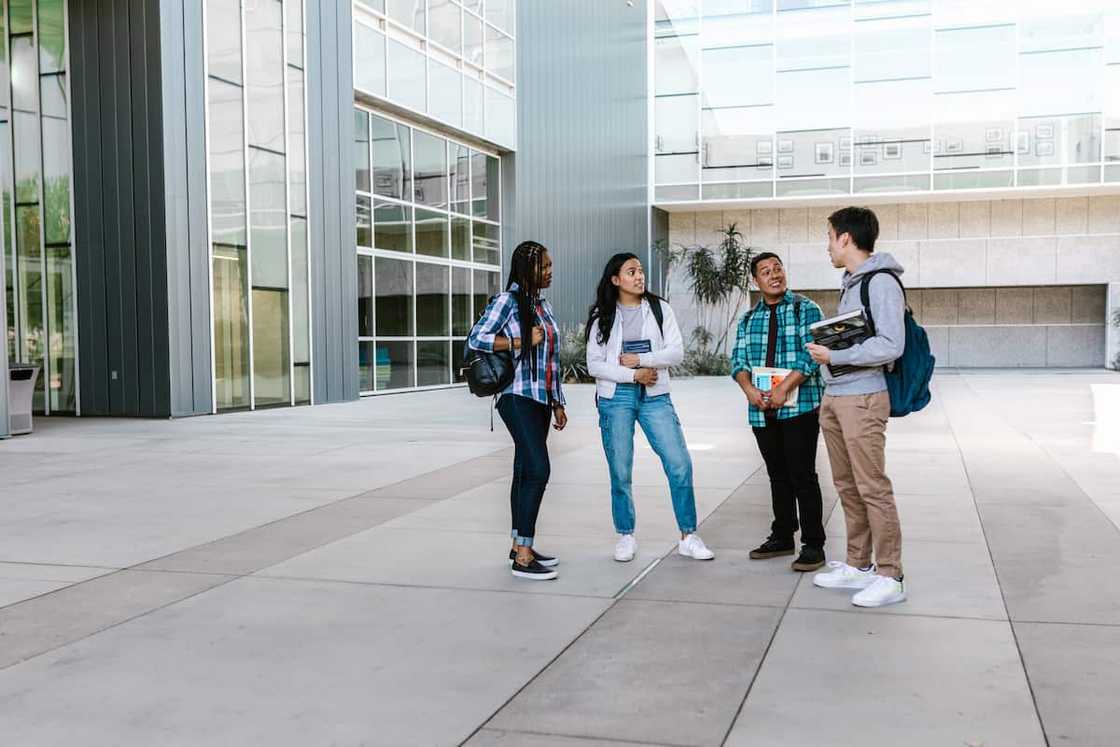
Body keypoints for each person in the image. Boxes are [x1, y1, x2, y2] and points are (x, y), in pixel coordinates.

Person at [806, 206, 908, 608]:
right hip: (838, 395)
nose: (827, 247)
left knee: (872, 486)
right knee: (847, 485)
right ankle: (859, 564)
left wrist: (835, 357)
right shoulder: (851, 282)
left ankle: (891, 574)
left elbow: (891, 344)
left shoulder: (881, 282)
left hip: (863, 396)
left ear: (845, 238)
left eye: (829, 237)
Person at [585, 253, 715, 563]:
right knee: (621, 470)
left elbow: (676, 352)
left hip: (655, 396)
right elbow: (594, 364)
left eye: (640, 271)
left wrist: (643, 361)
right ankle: (626, 535)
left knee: (679, 463)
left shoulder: (659, 309)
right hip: (616, 398)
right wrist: (633, 375)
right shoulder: (602, 315)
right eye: (631, 272)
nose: (639, 276)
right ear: (616, 280)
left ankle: (688, 536)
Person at [467, 241, 567, 581]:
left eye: (551, 265)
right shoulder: (506, 302)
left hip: (539, 398)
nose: (550, 271)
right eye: (544, 266)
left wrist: (558, 401)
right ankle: (523, 558)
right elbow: (476, 338)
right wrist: (519, 341)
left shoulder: (543, 305)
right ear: (527, 270)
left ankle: (518, 545)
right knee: (538, 469)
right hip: (516, 396)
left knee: (525, 470)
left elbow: (551, 359)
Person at [730, 252, 827, 573]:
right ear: (755, 281)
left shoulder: (805, 309)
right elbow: (738, 360)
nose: (774, 275)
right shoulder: (747, 319)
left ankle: (813, 544)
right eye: (765, 271)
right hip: (762, 408)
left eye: (778, 268)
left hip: (800, 406)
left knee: (803, 475)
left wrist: (784, 387)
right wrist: (749, 390)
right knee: (777, 474)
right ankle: (783, 534)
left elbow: (811, 355)